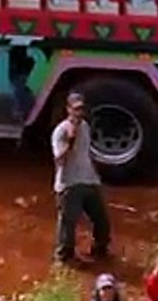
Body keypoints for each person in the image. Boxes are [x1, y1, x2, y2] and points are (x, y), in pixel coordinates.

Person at [52, 91, 111, 265]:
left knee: (102, 220)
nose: (79, 113)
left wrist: (96, 173)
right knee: (68, 225)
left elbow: (86, 152)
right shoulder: (61, 131)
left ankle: (100, 250)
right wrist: (70, 140)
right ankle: (64, 258)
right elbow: (59, 159)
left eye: (81, 109)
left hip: (89, 180)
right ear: (68, 109)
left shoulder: (85, 126)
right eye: (76, 109)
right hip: (70, 183)